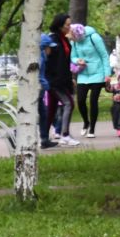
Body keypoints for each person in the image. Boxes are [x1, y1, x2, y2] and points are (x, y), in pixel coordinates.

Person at [70, 22, 111, 139]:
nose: (71, 39)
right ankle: (86, 122)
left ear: (78, 34)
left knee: (93, 101)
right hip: (83, 74)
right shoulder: (74, 42)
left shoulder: (94, 37)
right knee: (81, 101)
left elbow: (104, 55)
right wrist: (78, 60)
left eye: (73, 37)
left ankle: (92, 128)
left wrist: (107, 74)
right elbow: (73, 57)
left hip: (98, 74)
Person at [41, 14, 76, 145]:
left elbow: (65, 62)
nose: (69, 27)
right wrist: (50, 80)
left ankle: (44, 138)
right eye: (67, 25)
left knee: (50, 110)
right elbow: (50, 62)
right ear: (60, 26)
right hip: (54, 81)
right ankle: (65, 135)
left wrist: (70, 78)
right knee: (69, 103)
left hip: (61, 79)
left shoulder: (64, 40)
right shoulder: (52, 40)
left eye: (70, 24)